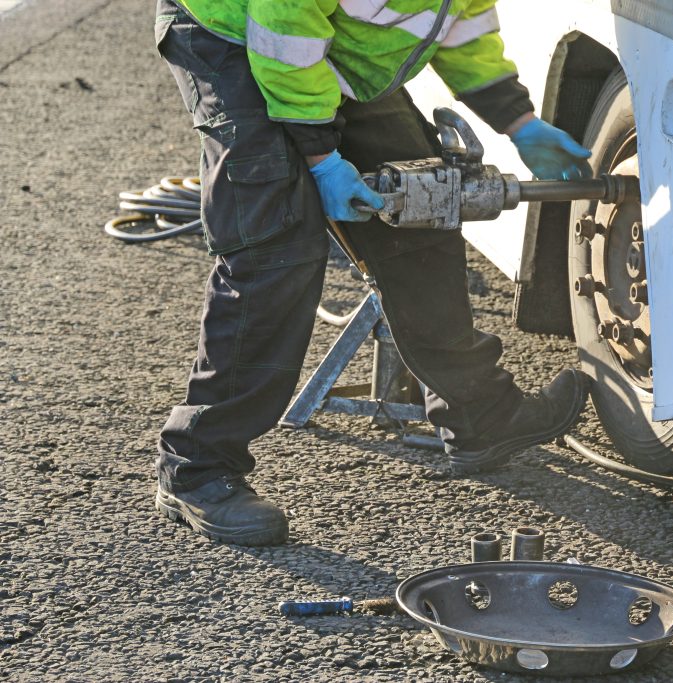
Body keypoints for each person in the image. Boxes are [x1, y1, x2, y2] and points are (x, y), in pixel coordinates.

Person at [151, 0, 594, 546]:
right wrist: (322, 159)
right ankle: (197, 467)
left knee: (423, 201)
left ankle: (479, 411)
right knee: (276, 246)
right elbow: (285, 31)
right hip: (235, 30)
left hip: (329, 41)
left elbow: (462, 18)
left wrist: (518, 120)